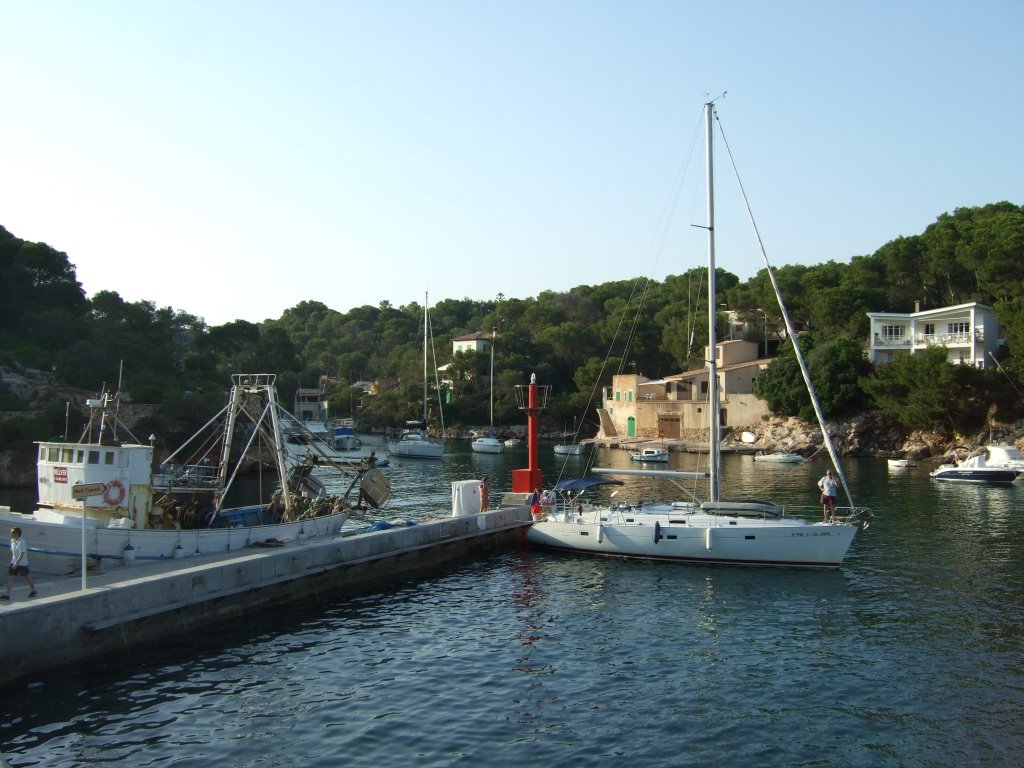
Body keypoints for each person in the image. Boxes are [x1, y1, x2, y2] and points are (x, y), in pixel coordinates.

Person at [3, 527, 37, 600]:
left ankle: (34, 590)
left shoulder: (22, 542)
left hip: (22, 563)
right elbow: (13, 552)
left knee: (27, 577)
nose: (11, 534)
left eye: (12, 532)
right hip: (14, 561)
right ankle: (7, 595)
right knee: (10, 578)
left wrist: (16, 563)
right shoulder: (12, 541)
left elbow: (22, 554)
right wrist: (14, 562)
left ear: (17, 533)